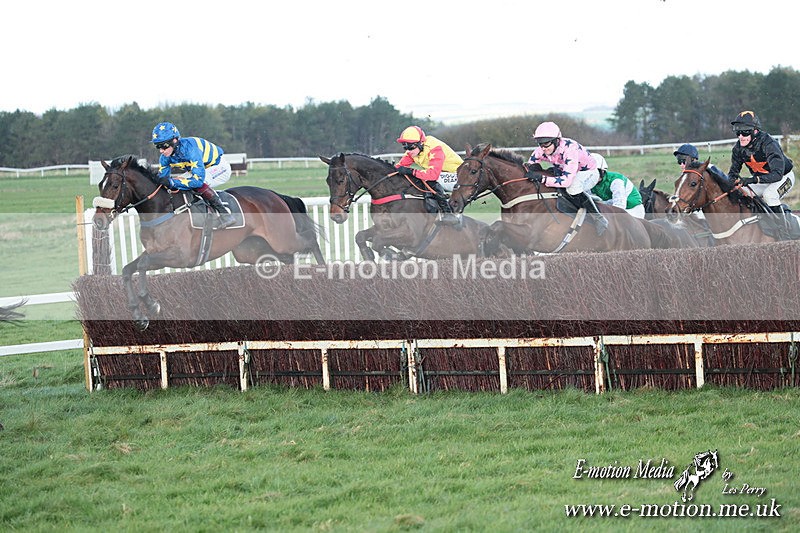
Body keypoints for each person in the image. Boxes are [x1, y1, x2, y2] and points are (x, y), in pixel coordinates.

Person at [525, 121, 607, 235]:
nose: (543, 148)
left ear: (557, 141)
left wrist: (542, 178)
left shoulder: (570, 149)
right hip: (567, 170)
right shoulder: (543, 149)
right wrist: (532, 169)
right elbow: (530, 164)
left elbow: (567, 181)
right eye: (540, 144)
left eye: (546, 143)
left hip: (588, 173)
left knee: (572, 187)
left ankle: (598, 218)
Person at [151, 121, 235, 229]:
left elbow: (198, 181)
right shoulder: (164, 158)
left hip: (218, 166)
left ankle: (225, 214)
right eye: (158, 146)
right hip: (200, 169)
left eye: (164, 146)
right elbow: (164, 180)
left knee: (197, 184)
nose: (161, 151)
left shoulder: (191, 150)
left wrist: (172, 182)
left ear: (175, 140)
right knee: (179, 183)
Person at [727, 110, 796, 236]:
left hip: (784, 177)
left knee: (770, 195)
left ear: (755, 131)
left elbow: (777, 175)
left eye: (745, 132)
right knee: (742, 192)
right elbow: (733, 172)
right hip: (763, 178)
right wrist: (730, 183)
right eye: (738, 132)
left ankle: (784, 232)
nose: (741, 136)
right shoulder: (738, 149)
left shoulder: (769, 144)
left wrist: (752, 180)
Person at [395, 126, 461, 225]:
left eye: (411, 147)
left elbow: (432, 175)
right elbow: (398, 167)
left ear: (421, 143)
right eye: (405, 147)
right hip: (442, 175)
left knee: (428, 179)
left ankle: (449, 214)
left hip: (459, 176)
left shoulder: (435, 148)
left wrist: (411, 171)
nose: (408, 151)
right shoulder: (413, 151)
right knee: (420, 179)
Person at [589, 153, 645, 219]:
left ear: (602, 171)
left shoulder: (616, 181)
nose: (590, 176)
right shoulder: (589, 183)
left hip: (633, 210)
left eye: (593, 172)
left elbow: (619, 207)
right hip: (612, 207)